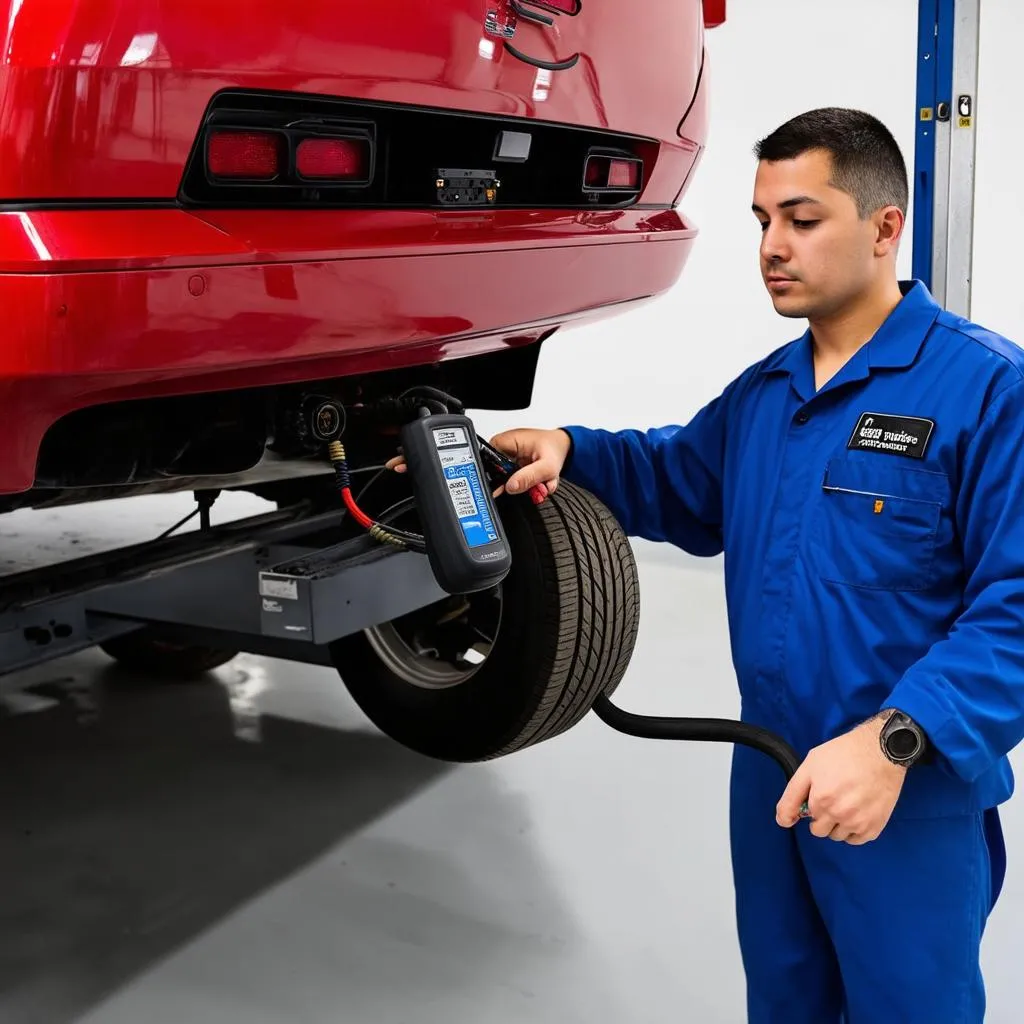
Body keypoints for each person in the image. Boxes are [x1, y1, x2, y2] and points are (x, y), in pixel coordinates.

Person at [391, 108, 1024, 1021]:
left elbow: (1016, 610)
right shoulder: (770, 391)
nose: (773, 245)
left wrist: (895, 742)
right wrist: (574, 446)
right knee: (784, 996)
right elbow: (681, 477)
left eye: (802, 221)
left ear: (886, 228)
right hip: (768, 767)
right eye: (761, 221)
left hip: (902, 788)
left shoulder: (985, 390)